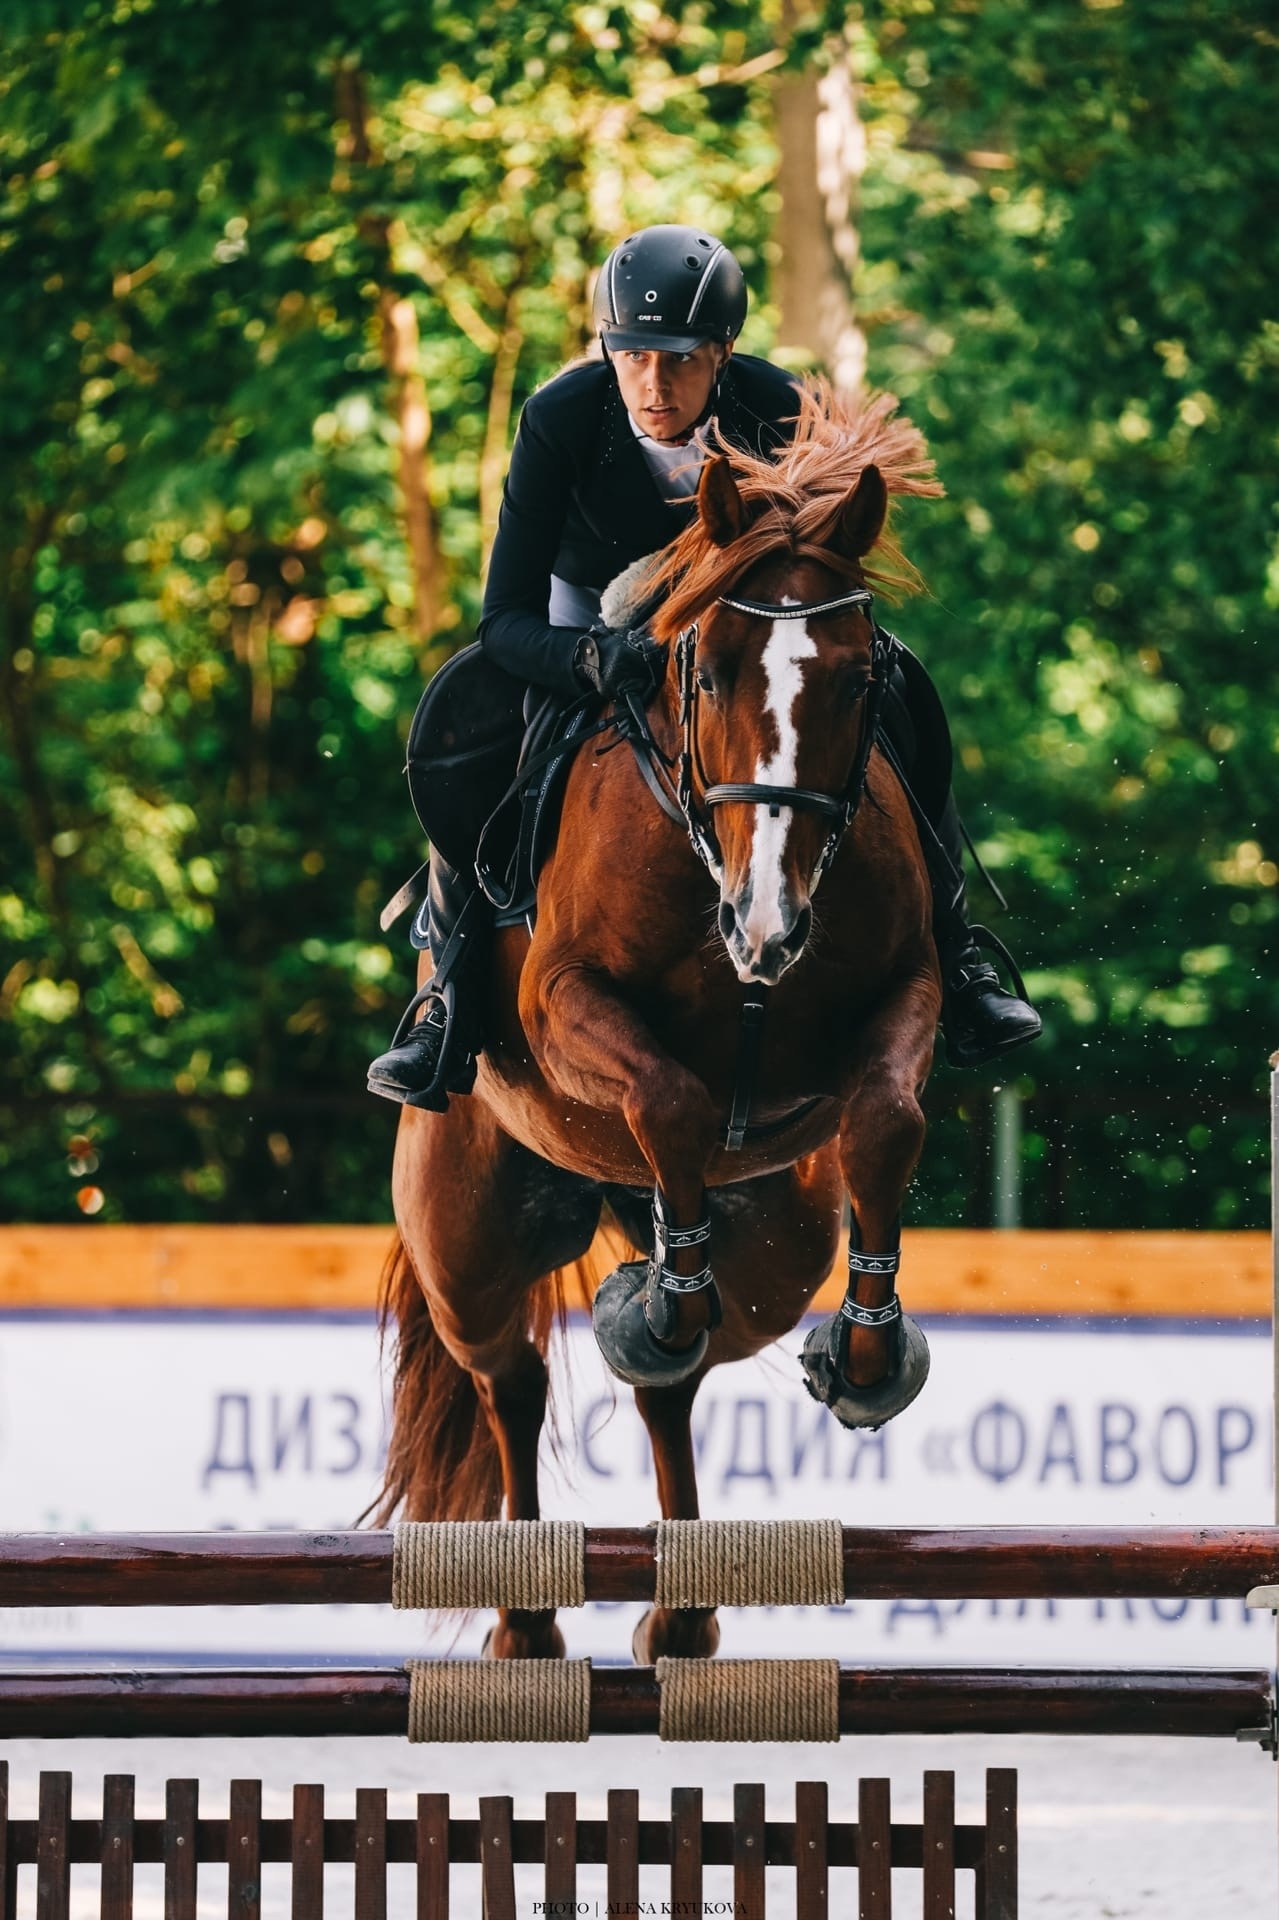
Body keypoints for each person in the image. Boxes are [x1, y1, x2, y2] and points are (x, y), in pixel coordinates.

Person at [368, 224, 1040, 1108]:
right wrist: (588, 660)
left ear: (722, 351)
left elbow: (823, 564)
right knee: (487, 735)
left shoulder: (778, 405)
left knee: (896, 688)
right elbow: (502, 620)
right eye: (632, 355)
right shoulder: (560, 418)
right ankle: (443, 1003)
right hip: (593, 611)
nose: (655, 384)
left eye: (680, 359)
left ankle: (959, 958)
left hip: (740, 617)